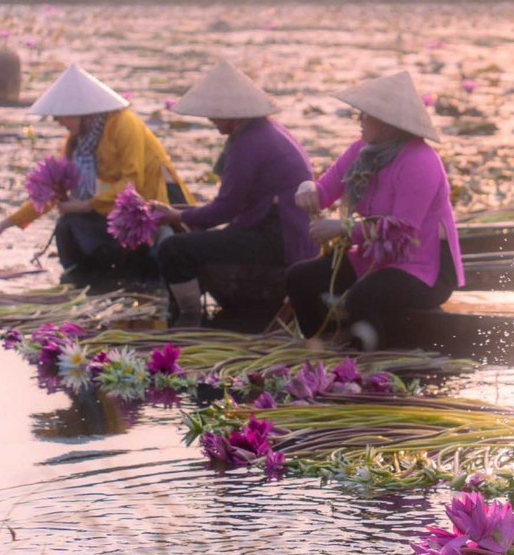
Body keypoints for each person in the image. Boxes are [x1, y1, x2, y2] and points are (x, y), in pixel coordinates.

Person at [287, 71, 463, 349]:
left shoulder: (421, 161)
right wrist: (305, 188)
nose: (359, 120)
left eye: (366, 115)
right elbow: (322, 193)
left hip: (424, 269)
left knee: (362, 296)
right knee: (300, 277)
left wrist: (342, 228)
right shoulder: (362, 151)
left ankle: (369, 364)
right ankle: (321, 347)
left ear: (389, 125)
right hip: (374, 258)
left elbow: (399, 230)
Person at [0, 64, 192, 285]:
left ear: (83, 113)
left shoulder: (124, 124)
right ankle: (87, 282)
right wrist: (2, 227)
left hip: (154, 208)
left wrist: (86, 205)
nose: (57, 121)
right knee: (67, 226)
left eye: (61, 116)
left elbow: (131, 182)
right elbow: (53, 190)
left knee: (153, 261)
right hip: (113, 209)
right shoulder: (78, 142)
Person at [152, 61, 315, 326]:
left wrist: (175, 215)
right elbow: (232, 201)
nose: (210, 119)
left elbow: (224, 209)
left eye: (214, 113)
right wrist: (184, 214)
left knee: (173, 249)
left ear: (232, 113)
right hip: (276, 228)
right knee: (191, 234)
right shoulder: (263, 130)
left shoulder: (250, 142)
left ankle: (188, 318)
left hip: (279, 237)